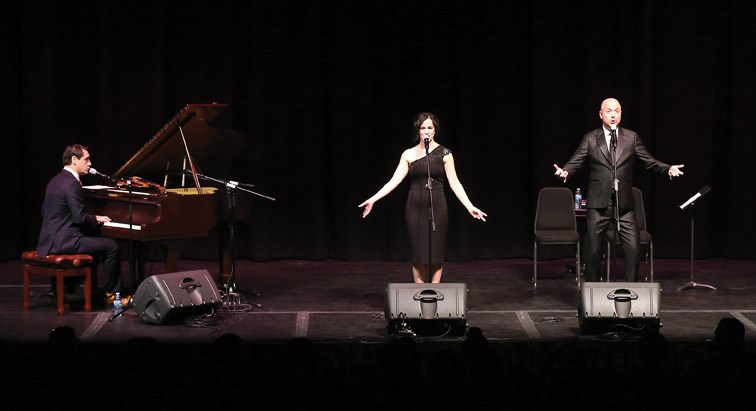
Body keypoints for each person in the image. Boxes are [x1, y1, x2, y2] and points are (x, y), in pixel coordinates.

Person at [553, 98, 684, 282]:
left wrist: (667, 168)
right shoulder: (591, 138)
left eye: (617, 111)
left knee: (633, 249)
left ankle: (632, 291)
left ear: (621, 113)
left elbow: (649, 160)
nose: (613, 114)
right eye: (608, 111)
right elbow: (577, 160)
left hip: (624, 204)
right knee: (593, 253)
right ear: (601, 114)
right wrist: (566, 171)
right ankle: (592, 294)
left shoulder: (631, 137)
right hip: (598, 204)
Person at [359, 112, 487, 283]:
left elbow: (455, 183)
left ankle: (434, 293)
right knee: (418, 254)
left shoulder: (445, 154)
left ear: (435, 131)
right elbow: (393, 182)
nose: (426, 131)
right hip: (414, 209)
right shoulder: (408, 154)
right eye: (423, 128)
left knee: (436, 253)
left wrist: (469, 206)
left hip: (438, 208)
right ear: (418, 131)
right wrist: (373, 199)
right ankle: (419, 293)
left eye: (430, 128)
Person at [36, 144, 124, 304]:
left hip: (49, 241)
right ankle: (111, 295)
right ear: (74, 160)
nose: (90, 164)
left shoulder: (55, 180)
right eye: (87, 159)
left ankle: (72, 290)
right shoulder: (72, 183)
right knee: (112, 246)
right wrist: (97, 218)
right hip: (64, 241)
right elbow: (80, 218)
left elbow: (44, 211)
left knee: (96, 247)